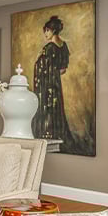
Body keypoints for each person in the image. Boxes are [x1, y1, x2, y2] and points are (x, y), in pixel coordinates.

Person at [31, 15, 81, 154]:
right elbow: (63, 69)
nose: (45, 34)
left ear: (52, 30)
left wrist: (44, 71)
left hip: (46, 84)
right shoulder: (64, 47)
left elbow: (40, 66)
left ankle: (46, 133)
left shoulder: (48, 48)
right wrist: (54, 74)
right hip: (56, 84)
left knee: (46, 106)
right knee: (56, 106)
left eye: (47, 30)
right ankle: (56, 133)